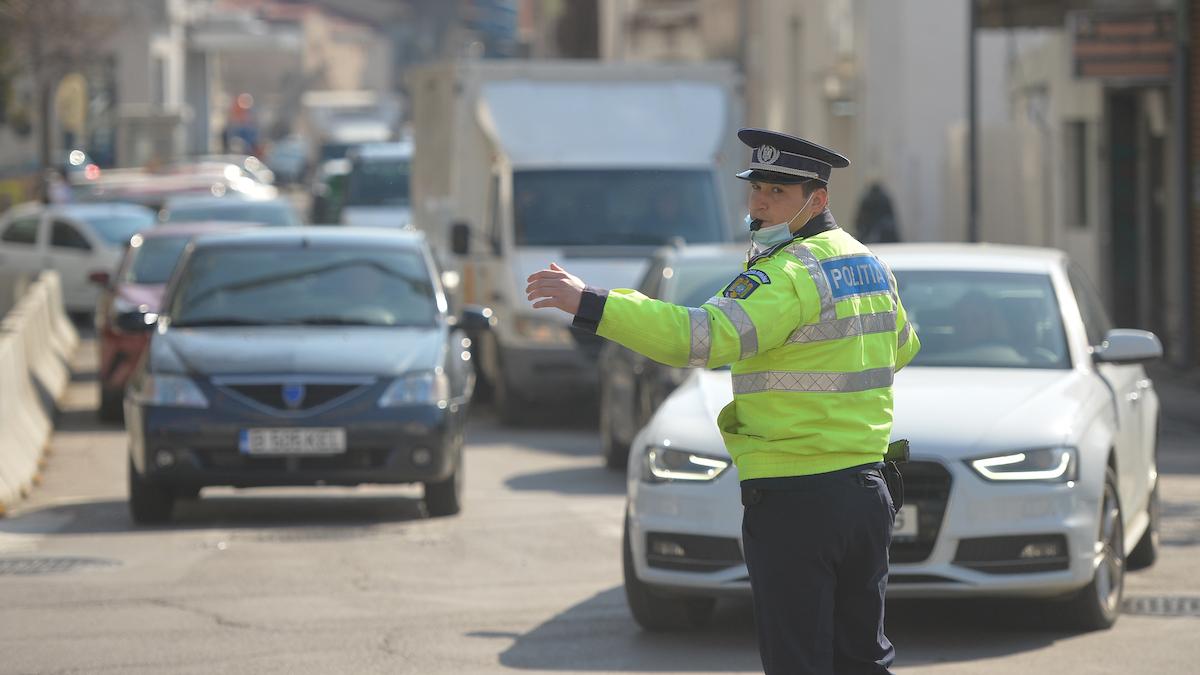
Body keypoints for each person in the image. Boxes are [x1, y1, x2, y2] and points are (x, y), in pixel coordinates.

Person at [526, 128, 920, 674]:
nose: (760, 203)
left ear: (819, 199)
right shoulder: (868, 263)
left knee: (798, 661)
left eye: (778, 192)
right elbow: (901, 347)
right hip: (866, 492)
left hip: (798, 496)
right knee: (862, 659)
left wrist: (593, 303)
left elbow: (699, 337)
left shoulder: (787, 273)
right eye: (756, 187)